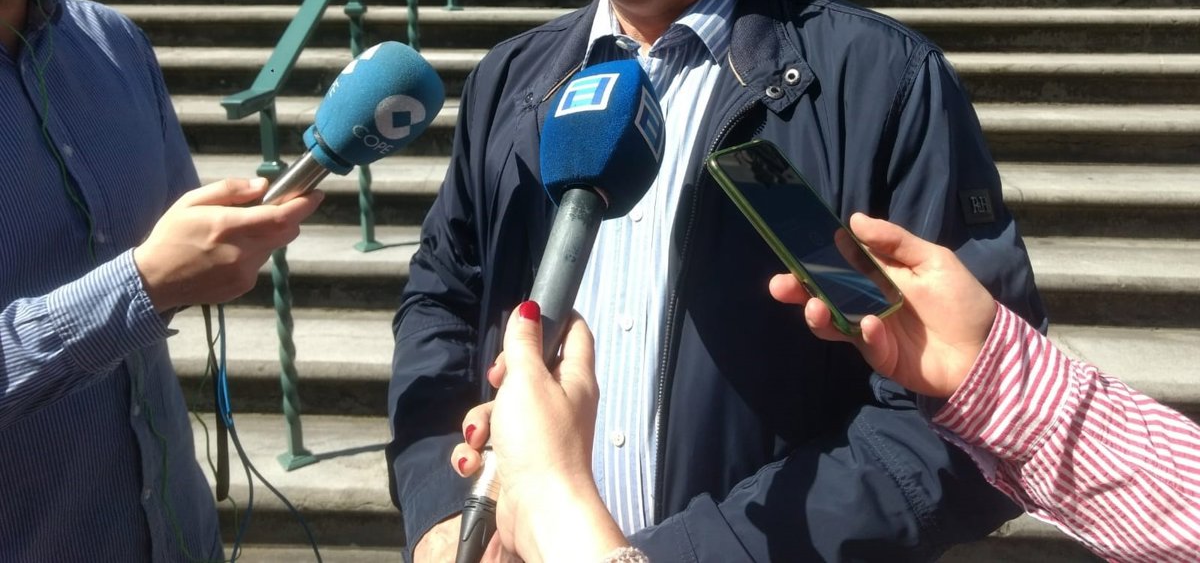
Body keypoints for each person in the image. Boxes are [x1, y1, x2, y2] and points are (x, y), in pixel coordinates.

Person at [387, 0, 1046, 563]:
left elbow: (959, 422)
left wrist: (685, 553)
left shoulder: (881, 88)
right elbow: (441, 302)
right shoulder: (510, 84)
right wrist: (443, 507)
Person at [0, 0, 323, 560]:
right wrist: (138, 286)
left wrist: (221, 243)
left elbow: (173, 273)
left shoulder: (113, 46)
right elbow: (144, 285)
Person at [454, 214, 1200, 563]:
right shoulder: (513, 74)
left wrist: (551, 497)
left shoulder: (892, 71)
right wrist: (995, 376)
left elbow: (927, 470)